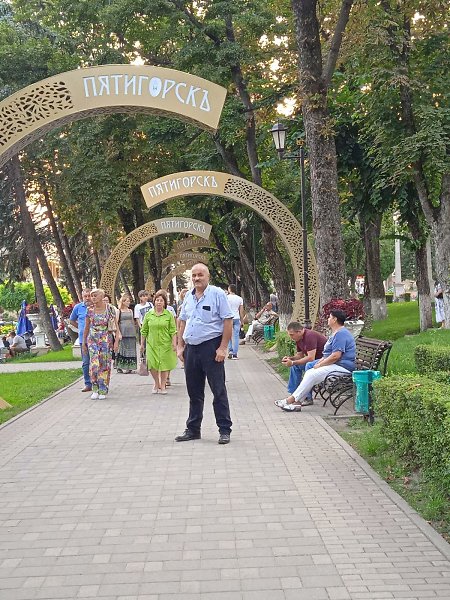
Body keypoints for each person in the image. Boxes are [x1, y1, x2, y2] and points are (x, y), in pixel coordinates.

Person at [175, 263, 234, 445]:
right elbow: (182, 321)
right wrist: (180, 346)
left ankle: (224, 430)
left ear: (208, 276)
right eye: (194, 275)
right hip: (191, 349)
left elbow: (228, 320)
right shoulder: (188, 297)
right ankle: (193, 429)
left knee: (218, 390)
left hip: (211, 347)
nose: (196, 278)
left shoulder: (217, 294)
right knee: (194, 391)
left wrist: (223, 348)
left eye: (200, 275)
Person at [276, 309, 356, 412]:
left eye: (330, 317)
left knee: (311, 374)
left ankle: (290, 400)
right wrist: (319, 362)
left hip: (343, 367)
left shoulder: (341, 334)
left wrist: (320, 364)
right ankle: (296, 403)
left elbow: (335, 356)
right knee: (310, 373)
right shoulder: (336, 333)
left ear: (335, 319)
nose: (328, 319)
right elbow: (327, 354)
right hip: (336, 365)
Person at [82, 288, 119, 400]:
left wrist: (116, 342)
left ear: (102, 297)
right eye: (92, 296)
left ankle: (103, 389)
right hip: (92, 339)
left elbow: (115, 326)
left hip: (106, 340)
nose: (93, 298)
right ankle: (95, 388)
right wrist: (84, 342)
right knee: (94, 364)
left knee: (104, 364)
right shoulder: (89, 310)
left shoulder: (110, 308)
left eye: (95, 295)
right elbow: (86, 327)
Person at [280, 322, 327, 405]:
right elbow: (300, 355)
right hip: (315, 361)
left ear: (299, 332)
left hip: (324, 361)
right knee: (295, 366)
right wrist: (290, 359)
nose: (291, 337)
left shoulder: (309, 336)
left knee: (307, 366)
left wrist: (293, 362)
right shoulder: (298, 338)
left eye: (292, 335)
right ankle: (294, 394)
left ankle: (307, 397)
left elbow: (311, 358)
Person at [140, 289, 177, 394]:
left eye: (161, 300)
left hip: (165, 344)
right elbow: (144, 330)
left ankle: (163, 384)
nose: (159, 302)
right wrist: (142, 344)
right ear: (154, 302)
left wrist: (174, 343)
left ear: (164, 302)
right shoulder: (149, 314)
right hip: (152, 344)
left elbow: (173, 330)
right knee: (152, 364)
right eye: (157, 300)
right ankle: (156, 383)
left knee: (164, 364)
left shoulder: (168, 314)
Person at [69, 288, 92, 392]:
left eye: (89, 296)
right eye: (85, 296)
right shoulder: (78, 307)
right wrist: (81, 328)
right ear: (82, 297)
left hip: (96, 339)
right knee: (86, 362)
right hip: (84, 339)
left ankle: (97, 382)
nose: (87, 298)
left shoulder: (95, 306)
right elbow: (72, 320)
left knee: (97, 362)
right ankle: (88, 384)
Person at [115, 293, 137, 374]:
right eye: (127, 301)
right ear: (123, 302)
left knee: (131, 349)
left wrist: (134, 331)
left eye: (129, 301)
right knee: (122, 349)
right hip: (123, 332)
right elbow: (116, 323)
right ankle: (120, 366)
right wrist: (118, 333)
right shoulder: (119, 311)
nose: (129, 303)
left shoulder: (130, 311)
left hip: (131, 332)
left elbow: (132, 321)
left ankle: (130, 366)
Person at [226, 283, 244, 360]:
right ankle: (235, 354)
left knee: (228, 335)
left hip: (228, 318)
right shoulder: (240, 299)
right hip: (236, 318)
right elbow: (241, 311)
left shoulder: (226, 298)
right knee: (236, 336)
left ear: (229, 289)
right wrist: (242, 321)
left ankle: (230, 350)